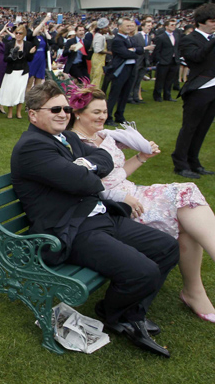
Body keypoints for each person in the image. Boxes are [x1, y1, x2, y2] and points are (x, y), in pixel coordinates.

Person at [11, 79, 179, 357]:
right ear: (33, 114)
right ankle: (112, 314)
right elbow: (87, 184)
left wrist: (86, 164)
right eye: (54, 110)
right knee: (143, 272)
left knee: (167, 247)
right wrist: (87, 171)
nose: (63, 114)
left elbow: (107, 159)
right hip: (71, 231)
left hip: (98, 217)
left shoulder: (70, 137)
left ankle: (128, 314)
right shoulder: (32, 147)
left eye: (65, 108)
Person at [67, 83, 215, 324]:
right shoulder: (74, 143)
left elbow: (117, 174)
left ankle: (194, 292)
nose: (103, 116)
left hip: (132, 193)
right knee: (185, 199)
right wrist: (119, 197)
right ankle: (193, 292)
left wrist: (141, 158)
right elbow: (85, 185)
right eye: (96, 112)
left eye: (104, 111)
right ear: (78, 113)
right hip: (118, 207)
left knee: (187, 201)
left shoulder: (104, 135)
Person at [172, 3, 215, 179]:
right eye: (212, 21)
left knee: (203, 128)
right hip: (198, 90)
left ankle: (194, 161)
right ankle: (180, 164)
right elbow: (196, 57)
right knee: (189, 128)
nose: (214, 24)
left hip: (213, 89)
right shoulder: (188, 39)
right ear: (201, 22)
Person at [105, 18, 142, 126]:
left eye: (131, 26)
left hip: (131, 68)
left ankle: (120, 115)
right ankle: (108, 116)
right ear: (120, 27)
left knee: (125, 93)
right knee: (115, 93)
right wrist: (134, 51)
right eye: (127, 26)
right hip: (120, 69)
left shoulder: (131, 39)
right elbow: (125, 53)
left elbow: (140, 49)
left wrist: (133, 50)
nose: (129, 28)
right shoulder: (117, 40)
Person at [0, 24, 36, 119]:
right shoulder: (9, 44)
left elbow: (29, 59)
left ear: (24, 35)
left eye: (20, 33)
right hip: (11, 71)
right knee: (11, 91)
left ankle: (18, 112)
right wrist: (12, 56)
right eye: (16, 33)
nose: (18, 35)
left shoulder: (27, 45)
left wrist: (30, 53)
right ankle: (10, 111)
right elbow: (5, 59)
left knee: (20, 92)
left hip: (23, 72)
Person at [152, 18, 180, 102]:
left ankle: (167, 96)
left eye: (175, 25)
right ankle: (157, 96)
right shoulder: (161, 37)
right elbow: (157, 50)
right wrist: (159, 60)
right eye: (172, 25)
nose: (174, 26)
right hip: (164, 61)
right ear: (166, 26)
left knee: (169, 80)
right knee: (160, 80)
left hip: (174, 60)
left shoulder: (176, 35)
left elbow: (177, 48)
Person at [26, 14, 51, 93]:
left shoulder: (43, 37)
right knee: (30, 83)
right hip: (33, 60)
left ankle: (36, 101)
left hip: (41, 61)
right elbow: (34, 33)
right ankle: (27, 102)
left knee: (38, 84)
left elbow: (51, 40)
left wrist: (45, 31)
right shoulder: (31, 36)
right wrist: (44, 21)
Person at [90, 19, 110, 87]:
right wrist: (109, 52)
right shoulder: (99, 37)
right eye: (106, 28)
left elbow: (111, 36)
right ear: (101, 29)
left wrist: (108, 29)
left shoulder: (101, 36)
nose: (107, 29)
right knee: (97, 76)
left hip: (100, 58)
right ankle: (94, 91)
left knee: (98, 75)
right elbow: (97, 50)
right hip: (98, 58)